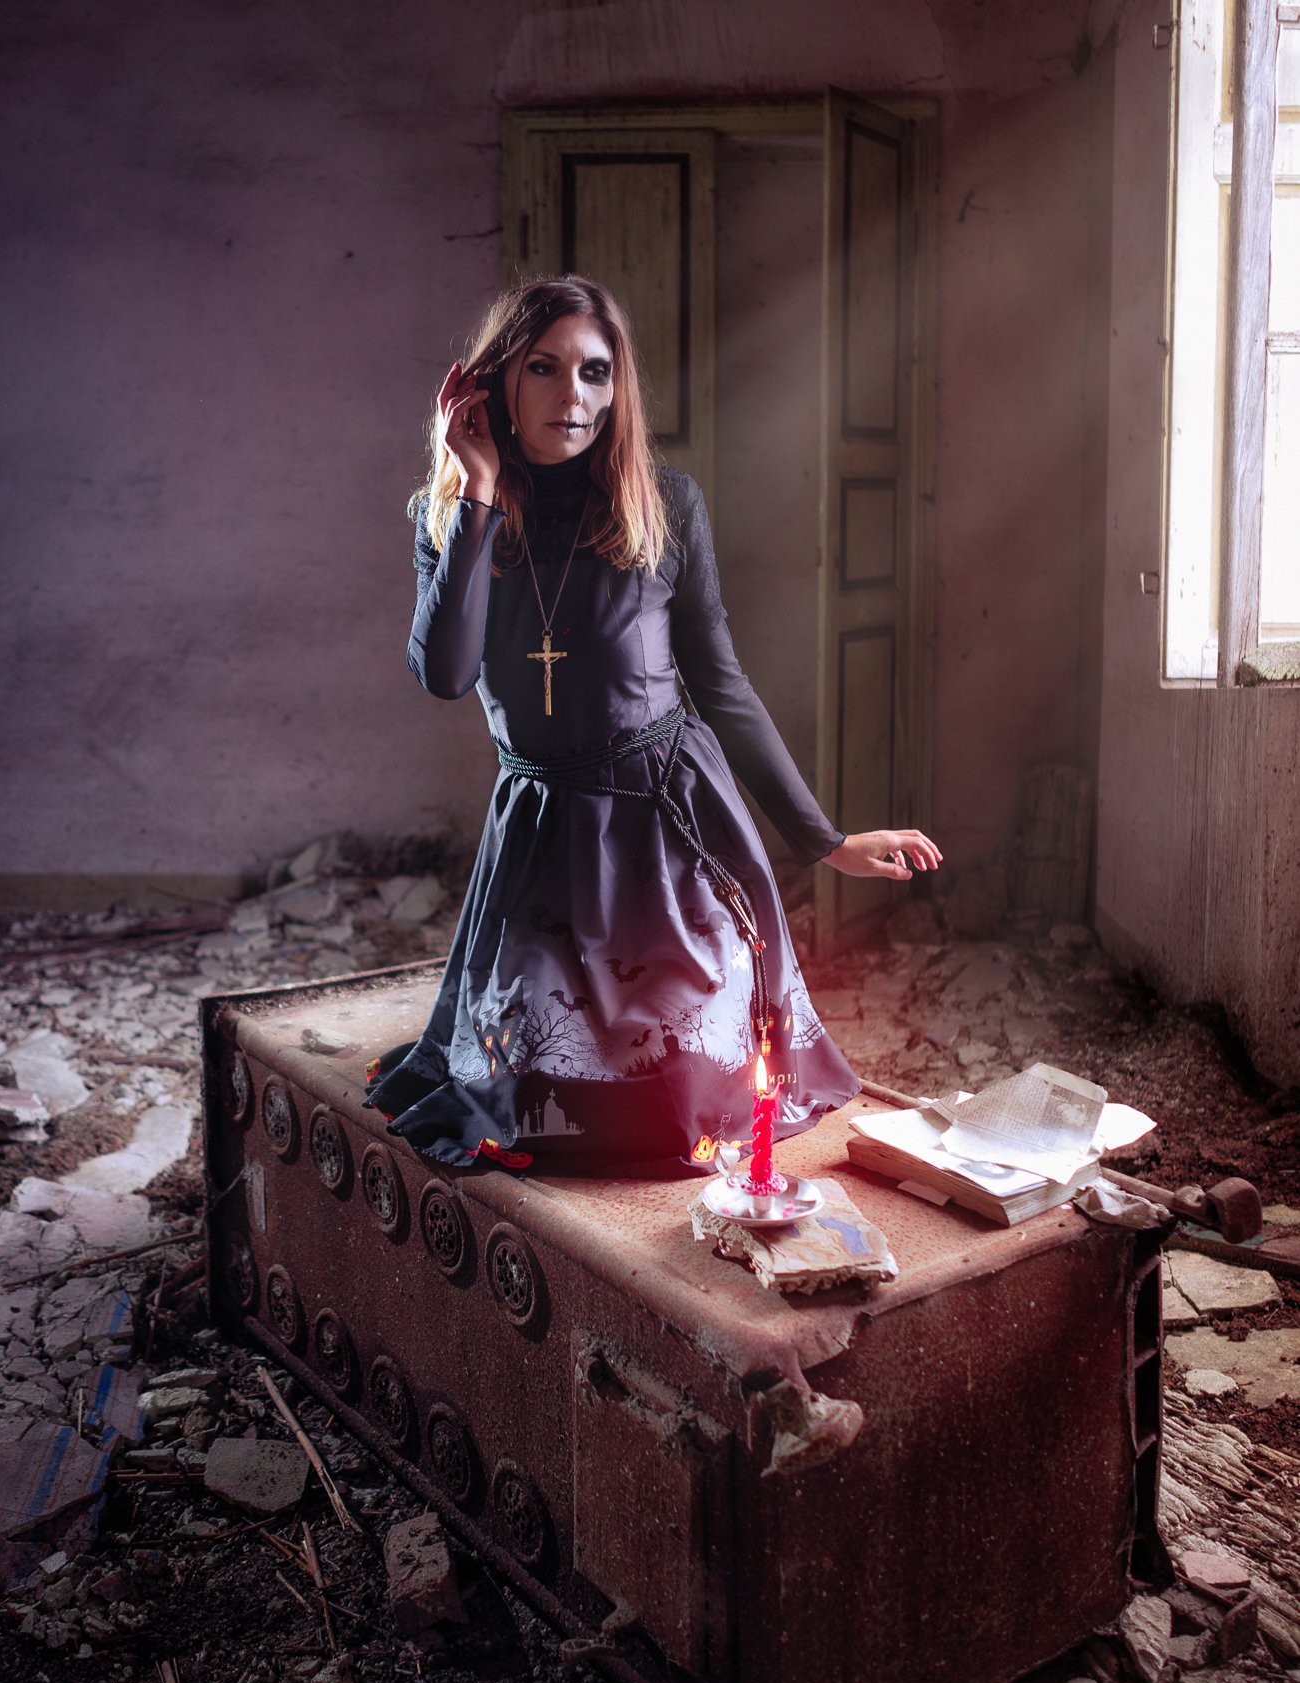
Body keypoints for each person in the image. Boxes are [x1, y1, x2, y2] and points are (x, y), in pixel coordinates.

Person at [365, 275, 941, 1172]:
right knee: (533, 1099)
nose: (573, 397)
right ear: (494, 384)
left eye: (595, 373)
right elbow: (444, 675)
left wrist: (823, 840)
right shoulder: (454, 516)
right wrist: (474, 489)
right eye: (545, 368)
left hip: (666, 822)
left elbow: (720, 681)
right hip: (545, 828)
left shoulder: (665, 502)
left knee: (683, 1105)